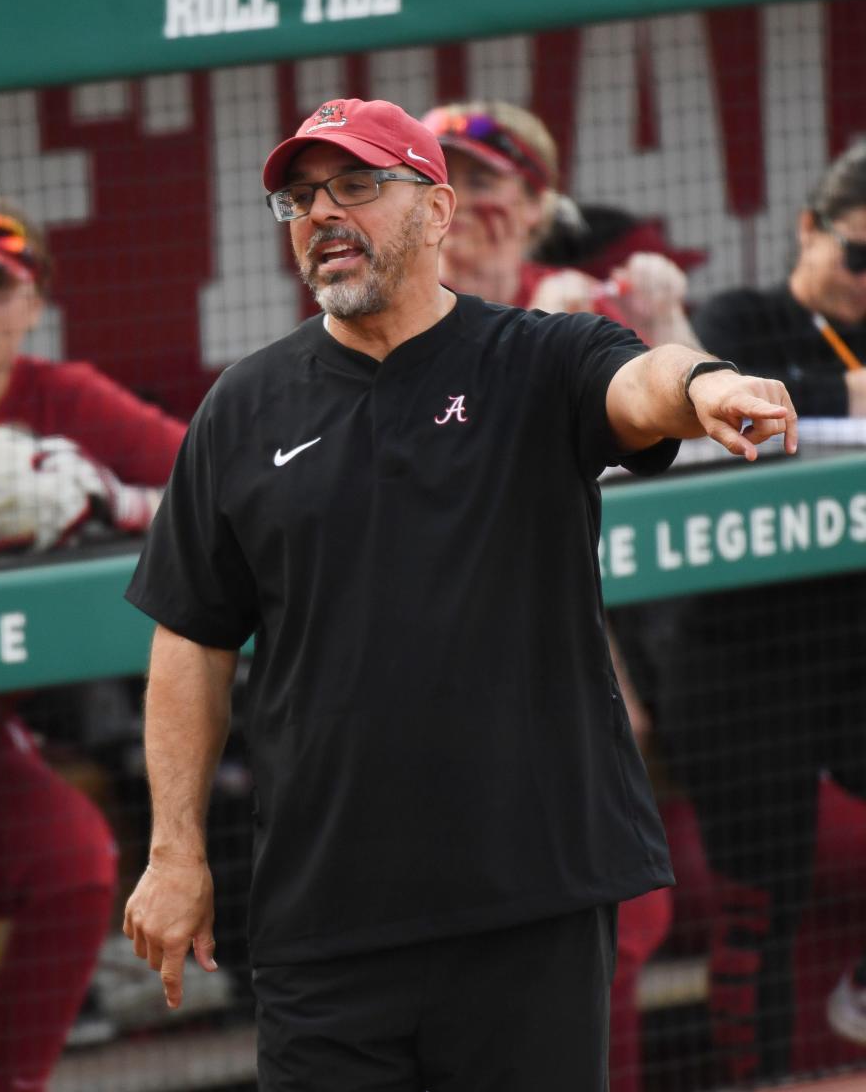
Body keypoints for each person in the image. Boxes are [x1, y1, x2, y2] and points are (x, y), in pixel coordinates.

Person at [121, 96, 796, 1092]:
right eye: (302, 197)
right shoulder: (242, 406)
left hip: (528, 900)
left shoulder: (535, 356)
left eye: (356, 185)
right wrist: (175, 850)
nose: (323, 213)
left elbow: (641, 384)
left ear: (436, 212)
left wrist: (704, 389)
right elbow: (193, 638)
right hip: (325, 919)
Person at [419, 98, 690, 1092]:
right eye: (443, 177)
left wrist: (657, 329)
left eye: (486, 178)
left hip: (570, 637)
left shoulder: (579, 305)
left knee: (622, 916)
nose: (465, 200)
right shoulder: (390, 308)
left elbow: (701, 432)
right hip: (425, 657)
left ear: (537, 203)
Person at [0, 195, 187, 1092]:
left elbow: (220, 483)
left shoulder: (61, 400)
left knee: (77, 860)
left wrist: (107, 498)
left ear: (34, 306)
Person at [658, 140, 866, 1083]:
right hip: (739, 648)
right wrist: (843, 396)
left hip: (853, 638)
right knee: (757, 901)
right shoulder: (744, 315)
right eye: (857, 255)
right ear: (810, 230)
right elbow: (733, 417)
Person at [419, 99, 700, 350]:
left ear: (535, 203)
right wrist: (537, 335)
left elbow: (691, 404)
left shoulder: (576, 300)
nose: (450, 198)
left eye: (479, 182)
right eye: (436, 180)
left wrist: (663, 325)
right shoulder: (403, 306)